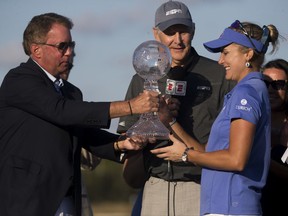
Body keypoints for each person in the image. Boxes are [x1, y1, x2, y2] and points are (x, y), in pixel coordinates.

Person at [0, 12, 161, 216]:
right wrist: (130, 106)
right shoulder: (19, 80)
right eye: (62, 46)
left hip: (66, 200)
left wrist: (122, 143)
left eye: (71, 45)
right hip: (26, 200)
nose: (69, 53)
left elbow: (85, 135)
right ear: (36, 50)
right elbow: (61, 111)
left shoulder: (71, 92)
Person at [117, 1, 235, 215]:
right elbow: (127, 157)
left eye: (184, 31)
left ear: (193, 30)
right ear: (156, 33)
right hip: (154, 187)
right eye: (170, 32)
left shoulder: (219, 75)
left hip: (202, 187)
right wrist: (145, 132)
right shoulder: (141, 79)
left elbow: (229, 144)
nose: (178, 40)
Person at [151, 19, 280, 215]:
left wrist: (185, 155)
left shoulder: (246, 93)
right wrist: (171, 121)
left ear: (249, 54)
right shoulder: (246, 91)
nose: (220, 61)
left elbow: (236, 160)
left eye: (226, 53)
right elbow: (209, 153)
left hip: (230, 207)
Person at [59, 60, 101, 216]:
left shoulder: (74, 98)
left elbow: (92, 161)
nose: (66, 67)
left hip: (74, 195)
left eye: (69, 65)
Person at [260, 59, 288, 216]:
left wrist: (262, 158)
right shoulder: (250, 122)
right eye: (265, 84)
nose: (271, 90)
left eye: (278, 84)